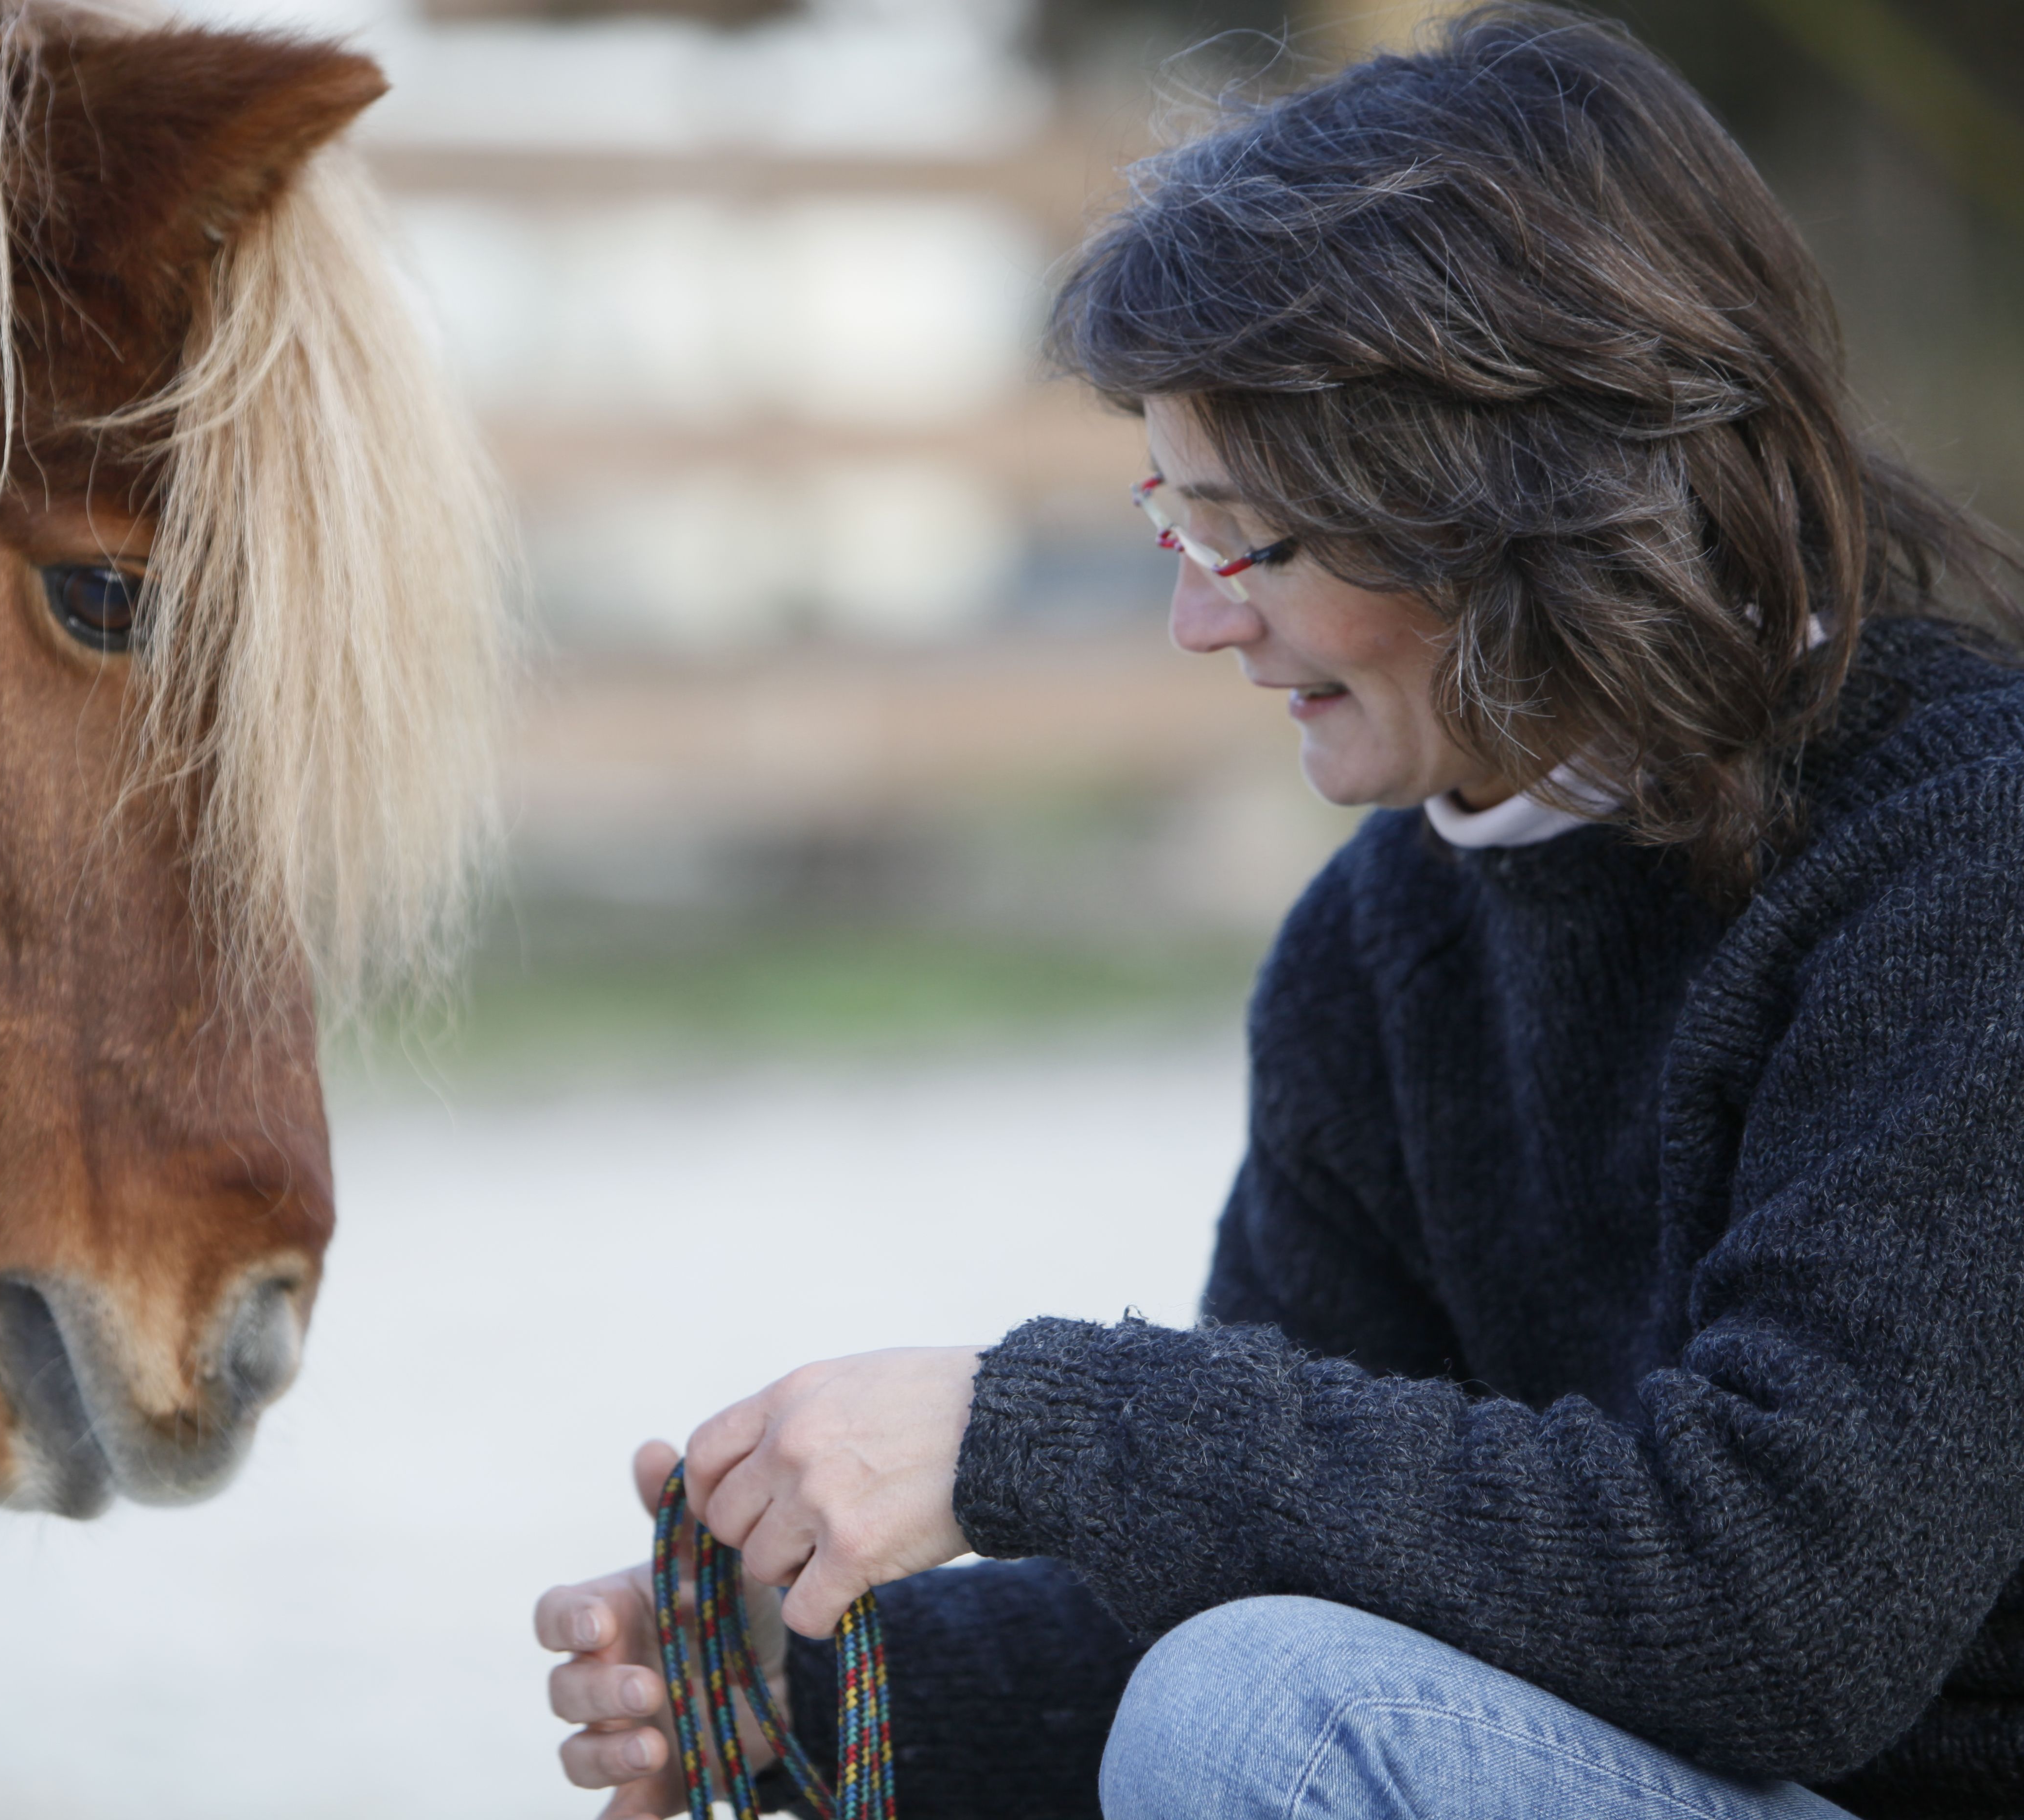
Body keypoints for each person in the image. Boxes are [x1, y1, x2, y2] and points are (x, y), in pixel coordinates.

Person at [531, 7, 2024, 1817]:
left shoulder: (1966, 854)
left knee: (1270, 1720)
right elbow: (1306, 1561)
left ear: (1515, 505)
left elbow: (1794, 1603)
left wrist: (1032, 1429)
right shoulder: (1377, 949)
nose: (1203, 622)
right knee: (1252, 1680)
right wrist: (814, 1685)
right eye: (1179, 526)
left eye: (1258, 541)